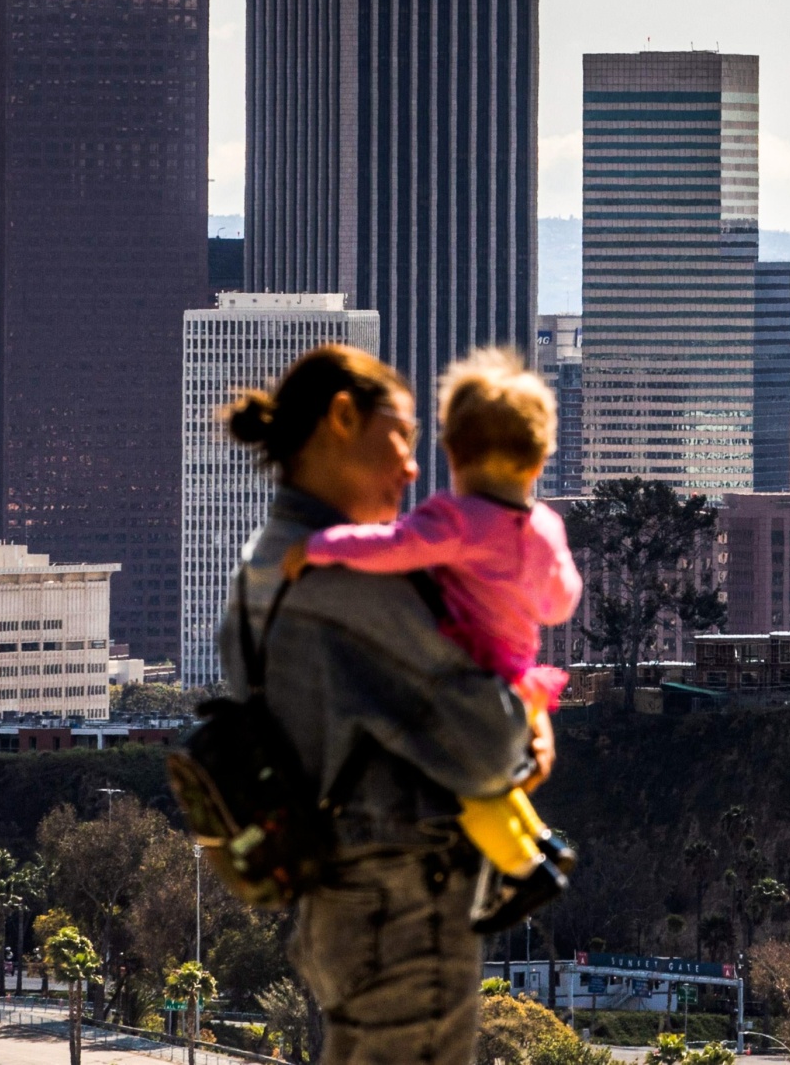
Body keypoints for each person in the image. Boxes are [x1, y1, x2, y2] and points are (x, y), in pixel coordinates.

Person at [219, 344, 547, 1065]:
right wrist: (527, 727)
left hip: (339, 906)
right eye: (399, 437)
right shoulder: (355, 585)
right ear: (342, 418)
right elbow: (492, 747)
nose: (412, 467)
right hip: (406, 915)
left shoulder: (263, 568)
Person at [292, 348, 582, 928]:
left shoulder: (457, 518)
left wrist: (318, 547)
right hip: (520, 681)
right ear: (540, 457)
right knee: (488, 783)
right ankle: (544, 843)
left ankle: (526, 869)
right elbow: (560, 602)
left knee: (455, 784)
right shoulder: (545, 526)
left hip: (468, 682)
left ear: (452, 452)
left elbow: (390, 545)